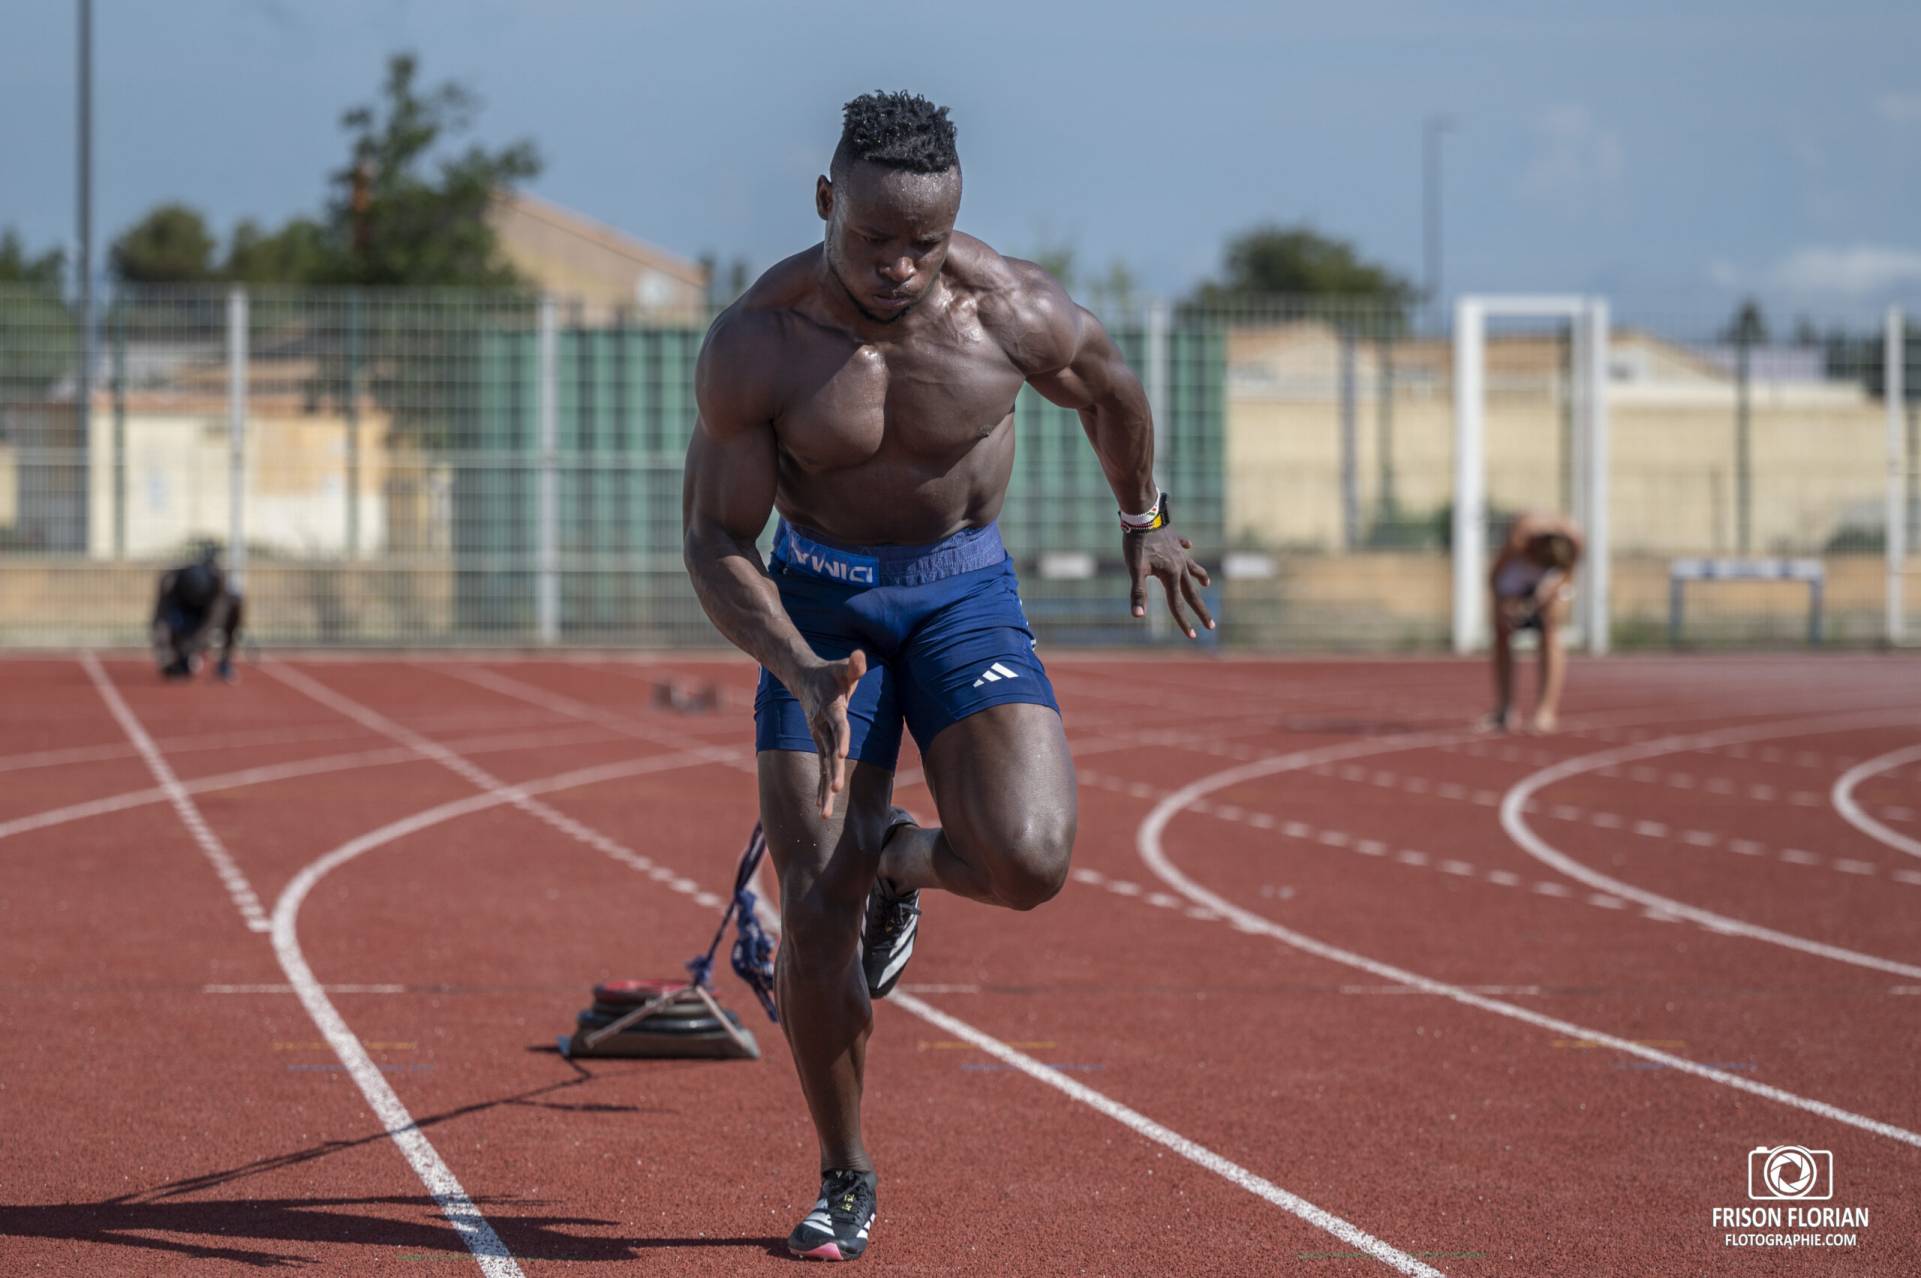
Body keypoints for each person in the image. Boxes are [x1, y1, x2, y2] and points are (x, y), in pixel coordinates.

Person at [681, 91, 1213, 1261]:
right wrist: (797, 664)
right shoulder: (759, 340)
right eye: (874, 238)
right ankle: (844, 1173)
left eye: (925, 240)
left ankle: (901, 865)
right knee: (814, 914)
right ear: (827, 203)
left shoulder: (1008, 310)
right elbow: (715, 541)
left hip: (963, 590)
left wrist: (1147, 517)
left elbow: (1112, 388)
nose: (901, 265)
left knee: (1027, 861)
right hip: (816, 610)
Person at [1485, 511, 1582, 733]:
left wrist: (1546, 597)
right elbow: (1494, 576)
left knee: (1550, 629)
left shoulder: (1575, 540)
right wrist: (1504, 605)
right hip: (1516, 575)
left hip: (1551, 579)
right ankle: (1505, 709)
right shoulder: (1521, 538)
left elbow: (1567, 575)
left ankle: (1546, 711)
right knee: (1502, 629)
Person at [151, 549, 244, 682]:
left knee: (234, 606)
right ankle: (180, 659)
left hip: (208, 611)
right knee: (175, 627)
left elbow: (212, 624)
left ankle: (224, 663)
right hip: (183, 611)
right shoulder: (169, 582)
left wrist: (193, 647)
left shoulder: (219, 585)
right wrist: (166, 657)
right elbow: (160, 621)